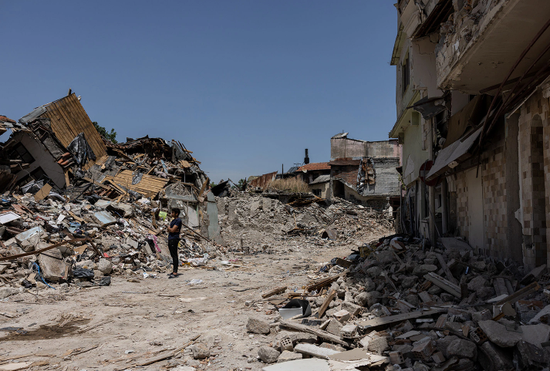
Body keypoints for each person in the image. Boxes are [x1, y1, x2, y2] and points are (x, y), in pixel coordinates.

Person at [167, 208, 182, 278]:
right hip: (170, 239)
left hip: (174, 239)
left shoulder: (178, 220)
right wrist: (171, 229)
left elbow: (172, 230)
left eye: (173, 213)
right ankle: (173, 271)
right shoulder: (173, 221)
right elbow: (169, 229)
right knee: (173, 255)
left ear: (176, 213)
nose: (171, 214)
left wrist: (171, 229)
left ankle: (175, 272)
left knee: (175, 255)